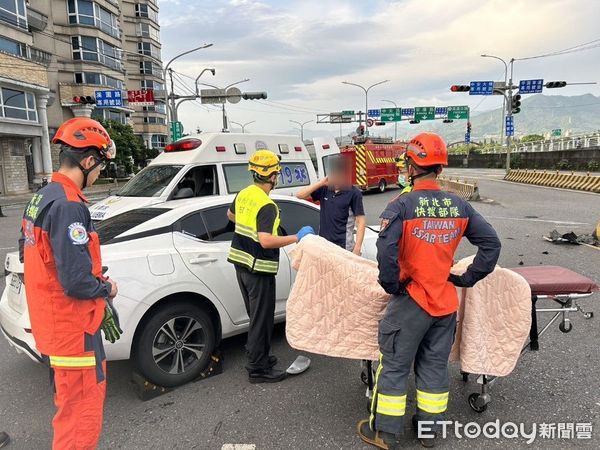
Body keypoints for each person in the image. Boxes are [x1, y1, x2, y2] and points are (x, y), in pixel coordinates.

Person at [357, 133, 501, 449]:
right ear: (439, 168)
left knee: (393, 366)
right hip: (445, 304)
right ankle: (428, 433)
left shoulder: (401, 205)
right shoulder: (459, 205)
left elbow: (386, 251)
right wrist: (465, 278)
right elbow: (491, 245)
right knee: (434, 370)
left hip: (411, 302)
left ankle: (386, 434)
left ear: (411, 166)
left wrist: (394, 285)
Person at [19, 117, 121, 450]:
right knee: (81, 417)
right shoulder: (68, 206)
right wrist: (107, 289)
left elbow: (36, 255)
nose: (100, 174)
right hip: (73, 331)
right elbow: (76, 281)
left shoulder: (43, 197)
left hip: (54, 325)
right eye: (101, 166)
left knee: (69, 412)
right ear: (88, 161)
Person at [227, 150, 315, 383]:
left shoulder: (244, 194)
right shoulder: (267, 205)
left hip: (240, 264)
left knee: (256, 316)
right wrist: (298, 237)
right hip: (258, 269)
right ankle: (257, 369)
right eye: (277, 172)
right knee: (261, 318)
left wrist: (250, 224)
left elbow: (231, 215)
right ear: (273, 175)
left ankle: (261, 357)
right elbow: (266, 240)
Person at [296, 156, 366, 255]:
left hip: (344, 247)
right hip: (324, 246)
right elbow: (299, 195)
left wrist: (357, 248)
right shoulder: (324, 189)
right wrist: (320, 183)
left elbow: (360, 221)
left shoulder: (354, 193)